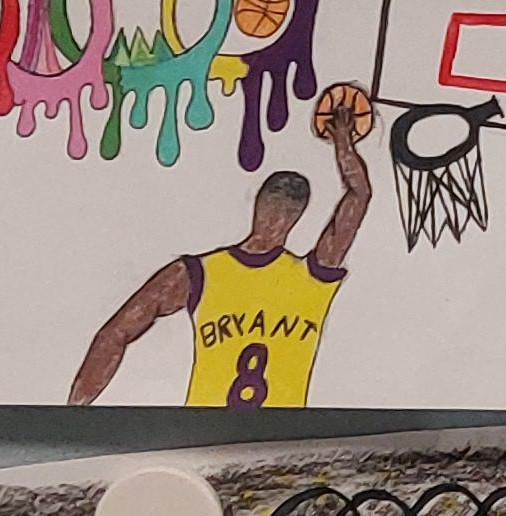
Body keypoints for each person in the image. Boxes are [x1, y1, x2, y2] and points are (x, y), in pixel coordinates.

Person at [69, 84, 377, 406]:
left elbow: (114, 334)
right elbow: (360, 195)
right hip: (276, 430)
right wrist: (343, 140)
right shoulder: (312, 276)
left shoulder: (197, 273)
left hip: (206, 427)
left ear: (258, 205)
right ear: (297, 217)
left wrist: (73, 411)